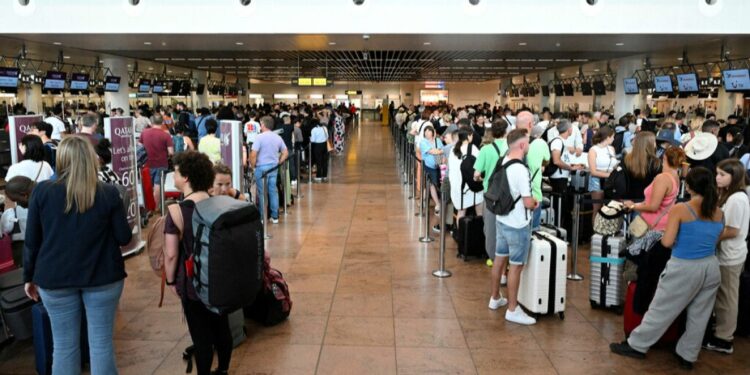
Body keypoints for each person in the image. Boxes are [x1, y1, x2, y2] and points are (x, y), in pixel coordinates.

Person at [23, 136, 131, 374]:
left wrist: (28, 277)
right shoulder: (108, 193)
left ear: (60, 158)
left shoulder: (42, 191)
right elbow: (124, 238)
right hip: (103, 276)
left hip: (54, 278)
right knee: (101, 344)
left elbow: (32, 241)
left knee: (63, 346)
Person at [610, 167, 723, 371]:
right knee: (700, 314)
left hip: (684, 265)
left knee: (661, 309)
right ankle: (688, 355)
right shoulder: (718, 211)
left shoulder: (682, 209)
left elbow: (667, 242)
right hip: (711, 266)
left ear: (688, 186)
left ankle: (637, 345)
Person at [163, 151, 233, 375]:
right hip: (221, 280)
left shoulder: (177, 211)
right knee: (222, 329)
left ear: (185, 178)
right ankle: (222, 370)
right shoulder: (222, 204)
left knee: (201, 337)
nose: (173, 175)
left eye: (175, 171)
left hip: (193, 284)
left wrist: (171, 280)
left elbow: (172, 254)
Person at [489, 129, 538, 325]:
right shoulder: (520, 169)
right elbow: (527, 201)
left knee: (499, 260)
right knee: (516, 266)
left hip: (502, 218)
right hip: (518, 223)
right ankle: (512, 308)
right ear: (522, 145)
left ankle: (495, 298)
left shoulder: (503, 160)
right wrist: (535, 202)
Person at [704, 159, 749, 354]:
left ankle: (724, 338)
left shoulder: (737, 199)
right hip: (727, 253)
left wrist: (709, 237)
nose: (717, 178)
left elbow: (732, 230)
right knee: (724, 296)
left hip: (731, 255)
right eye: (717, 173)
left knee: (728, 298)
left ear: (735, 177)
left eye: (722, 174)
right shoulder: (731, 196)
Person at [473, 119, 509, 263]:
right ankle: (506, 260)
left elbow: (476, 174)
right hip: (508, 195)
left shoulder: (485, 149)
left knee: (490, 228)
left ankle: (493, 258)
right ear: (506, 132)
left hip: (490, 195)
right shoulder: (511, 148)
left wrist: (482, 179)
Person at [548, 120, 584, 239]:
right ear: (569, 130)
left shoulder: (561, 142)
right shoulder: (557, 142)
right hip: (558, 178)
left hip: (563, 176)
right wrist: (570, 167)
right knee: (559, 208)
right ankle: (557, 233)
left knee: (564, 208)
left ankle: (561, 233)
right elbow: (556, 160)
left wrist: (572, 166)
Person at [251, 116, 288, 224]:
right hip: (273, 167)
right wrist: (279, 162)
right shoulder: (277, 137)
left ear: (263, 125)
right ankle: (275, 216)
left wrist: (253, 166)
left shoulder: (259, 137)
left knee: (262, 193)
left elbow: (253, 154)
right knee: (273, 191)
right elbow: (285, 152)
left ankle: (263, 217)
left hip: (261, 167)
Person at [141, 113, 174, 209]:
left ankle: (147, 208)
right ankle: (156, 207)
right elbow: (171, 152)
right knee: (158, 185)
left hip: (146, 163)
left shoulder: (144, 132)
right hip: (161, 163)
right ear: (162, 122)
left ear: (151, 122)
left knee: (147, 185)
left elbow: (140, 147)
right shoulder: (166, 135)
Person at [1, 176, 34, 265]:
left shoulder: (10, 214)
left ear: (24, 195)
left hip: (23, 251)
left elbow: (5, 229)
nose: (18, 204)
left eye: (16, 200)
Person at [588, 126, 618, 222]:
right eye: (612, 137)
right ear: (607, 137)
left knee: (609, 208)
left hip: (610, 181)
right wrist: (610, 175)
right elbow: (593, 171)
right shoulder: (593, 150)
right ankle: (595, 232)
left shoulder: (611, 149)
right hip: (597, 181)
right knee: (597, 208)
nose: (613, 139)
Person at [620, 132, 662, 200]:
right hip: (648, 200)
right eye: (654, 142)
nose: (655, 144)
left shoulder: (626, 160)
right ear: (649, 144)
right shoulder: (656, 163)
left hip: (629, 199)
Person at [419, 126, 444, 214]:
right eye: (425, 131)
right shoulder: (423, 142)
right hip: (428, 166)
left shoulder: (438, 140)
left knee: (432, 184)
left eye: (429, 131)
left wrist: (438, 151)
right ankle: (437, 204)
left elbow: (442, 150)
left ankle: (422, 200)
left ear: (433, 132)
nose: (427, 133)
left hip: (439, 165)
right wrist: (439, 151)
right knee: (432, 184)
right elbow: (433, 152)